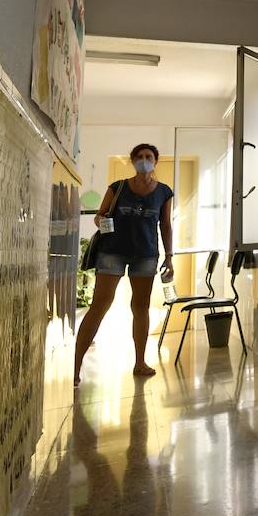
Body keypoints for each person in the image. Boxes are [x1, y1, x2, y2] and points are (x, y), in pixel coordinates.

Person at [74, 144, 174, 384]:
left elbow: (166, 225)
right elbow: (100, 214)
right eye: (139, 157)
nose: (144, 160)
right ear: (132, 160)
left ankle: (140, 363)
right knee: (99, 306)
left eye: (148, 157)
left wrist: (170, 256)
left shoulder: (164, 192)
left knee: (141, 307)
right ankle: (75, 366)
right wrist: (101, 221)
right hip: (112, 252)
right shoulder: (117, 187)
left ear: (155, 161)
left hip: (146, 255)